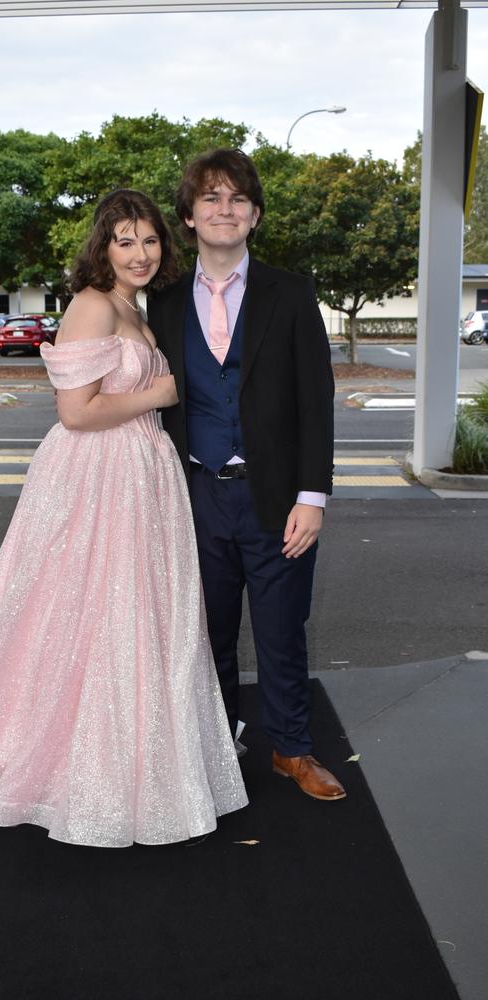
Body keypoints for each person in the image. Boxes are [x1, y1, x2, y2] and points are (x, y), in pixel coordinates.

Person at [0, 189, 248, 847]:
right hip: (100, 474)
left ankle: (143, 757)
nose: (140, 253)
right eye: (125, 240)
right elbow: (76, 412)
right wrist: (162, 389)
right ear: (103, 246)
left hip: (139, 475)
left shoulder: (133, 307)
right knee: (91, 611)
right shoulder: (95, 306)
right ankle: (87, 764)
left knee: (134, 614)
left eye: (149, 240)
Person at [147, 150, 346, 801]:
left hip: (277, 498)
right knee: (208, 633)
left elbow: (315, 401)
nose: (223, 209)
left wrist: (312, 497)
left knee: (283, 629)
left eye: (236, 199)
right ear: (189, 215)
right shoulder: (165, 301)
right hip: (196, 493)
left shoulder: (291, 293)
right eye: (211, 198)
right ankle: (219, 738)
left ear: (254, 215)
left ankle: (292, 749)